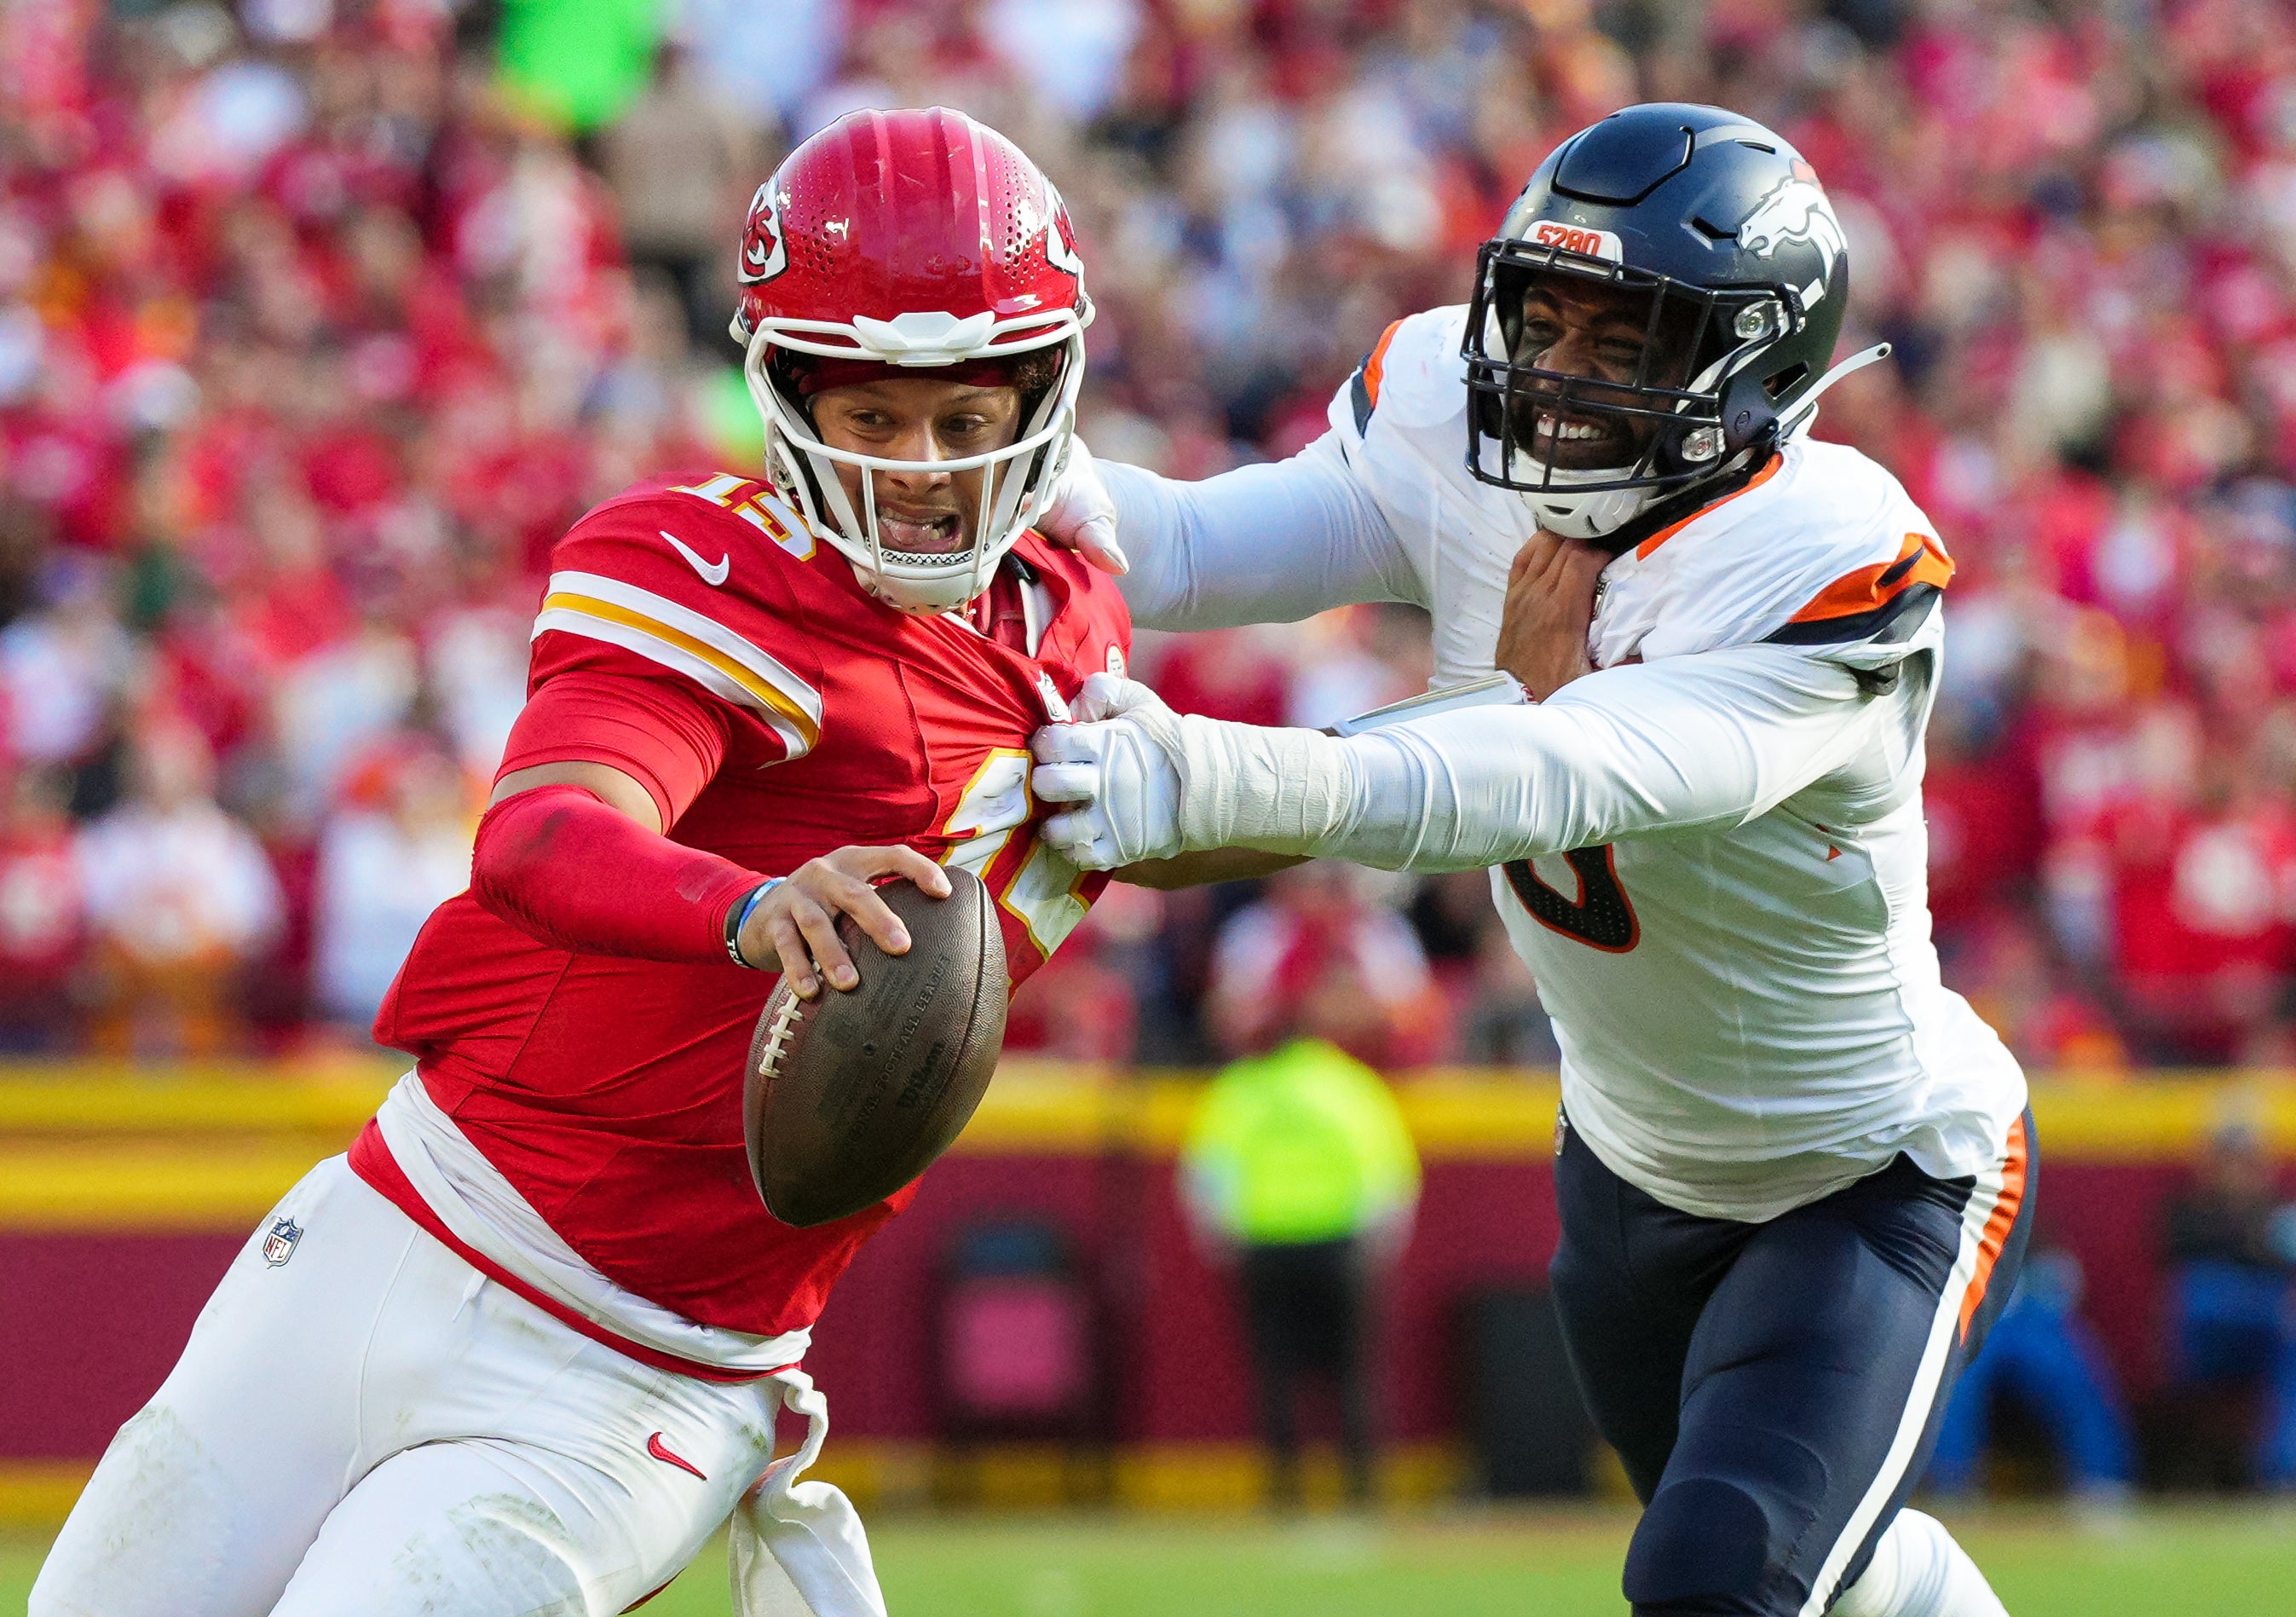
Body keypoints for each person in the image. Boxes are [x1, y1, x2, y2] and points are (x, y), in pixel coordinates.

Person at [34, 108, 1134, 1617]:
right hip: (391, 1226)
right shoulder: (695, 565)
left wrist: (1277, 796)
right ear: (784, 391)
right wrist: (748, 907)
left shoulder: (1075, 636)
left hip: (639, 1371)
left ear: (1044, 389)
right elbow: (546, 832)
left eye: (959, 415)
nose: (918, 470)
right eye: (870, 418)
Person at [1034, 103, 2029, 1617]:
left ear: (1750, 359)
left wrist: (1220, 770)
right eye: (1541, 316)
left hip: (1867, 1174)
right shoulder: (1451, 416)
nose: (1554, 376)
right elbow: (1181, 547)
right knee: (1823, 1567)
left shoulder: (1820, 551)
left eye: (1620, 338)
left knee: (1714, 1577)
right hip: (1624, 1168)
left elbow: (1550, 770)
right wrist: (1025, 502)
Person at [1180, 973, 1422, 1506]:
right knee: (1355, 1376)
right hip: (1343, 1248)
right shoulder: (1353, 1087)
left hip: (1264, 1248)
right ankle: (1363, 1494)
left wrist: (1220, 1240)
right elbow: (1390, 1175)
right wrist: (1381, 1245)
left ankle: (1285, 1494)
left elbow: (1208, 1177)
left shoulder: (1242, 1088)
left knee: (1275, 1375)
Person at [1925, 1248, 2136, 1502]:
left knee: (2073, 1366)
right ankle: (1950, 1484)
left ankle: (2102, 1482)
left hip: (2025, 1302)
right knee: (1953, 1378)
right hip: (1962, 1297)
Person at [2160, 1120, 2296, 1486]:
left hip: (2271, 1338)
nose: (2237, 1171)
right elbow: (2184, 1251)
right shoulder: (2187, 1211)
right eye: (2228, 1160)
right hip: (2206, 1342)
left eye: (2246, 1160)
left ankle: (2282, 1474)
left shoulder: (2280, 1210)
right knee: (2200, 1292)